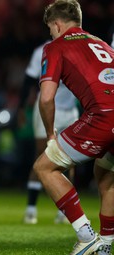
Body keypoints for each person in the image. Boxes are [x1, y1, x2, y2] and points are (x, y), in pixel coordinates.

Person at [33, 0, 114, 255]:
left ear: (56, 25)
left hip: (102, 117)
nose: (50, 34)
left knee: (45, 167)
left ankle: (85, 235)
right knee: (105, 176)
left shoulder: (56, 46)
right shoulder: (101, 43)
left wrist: (50, 136)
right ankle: (104, 250)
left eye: (50, 29)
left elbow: (46, 98)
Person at [18, 41, 79, 225]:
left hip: (70, 111)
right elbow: (29, 80)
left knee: (70, 161)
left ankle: (65, 212)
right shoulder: (42, 50)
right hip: (47, 108)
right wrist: (21, 108)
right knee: (42, 155)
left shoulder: (79, 48)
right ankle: (31, 209)